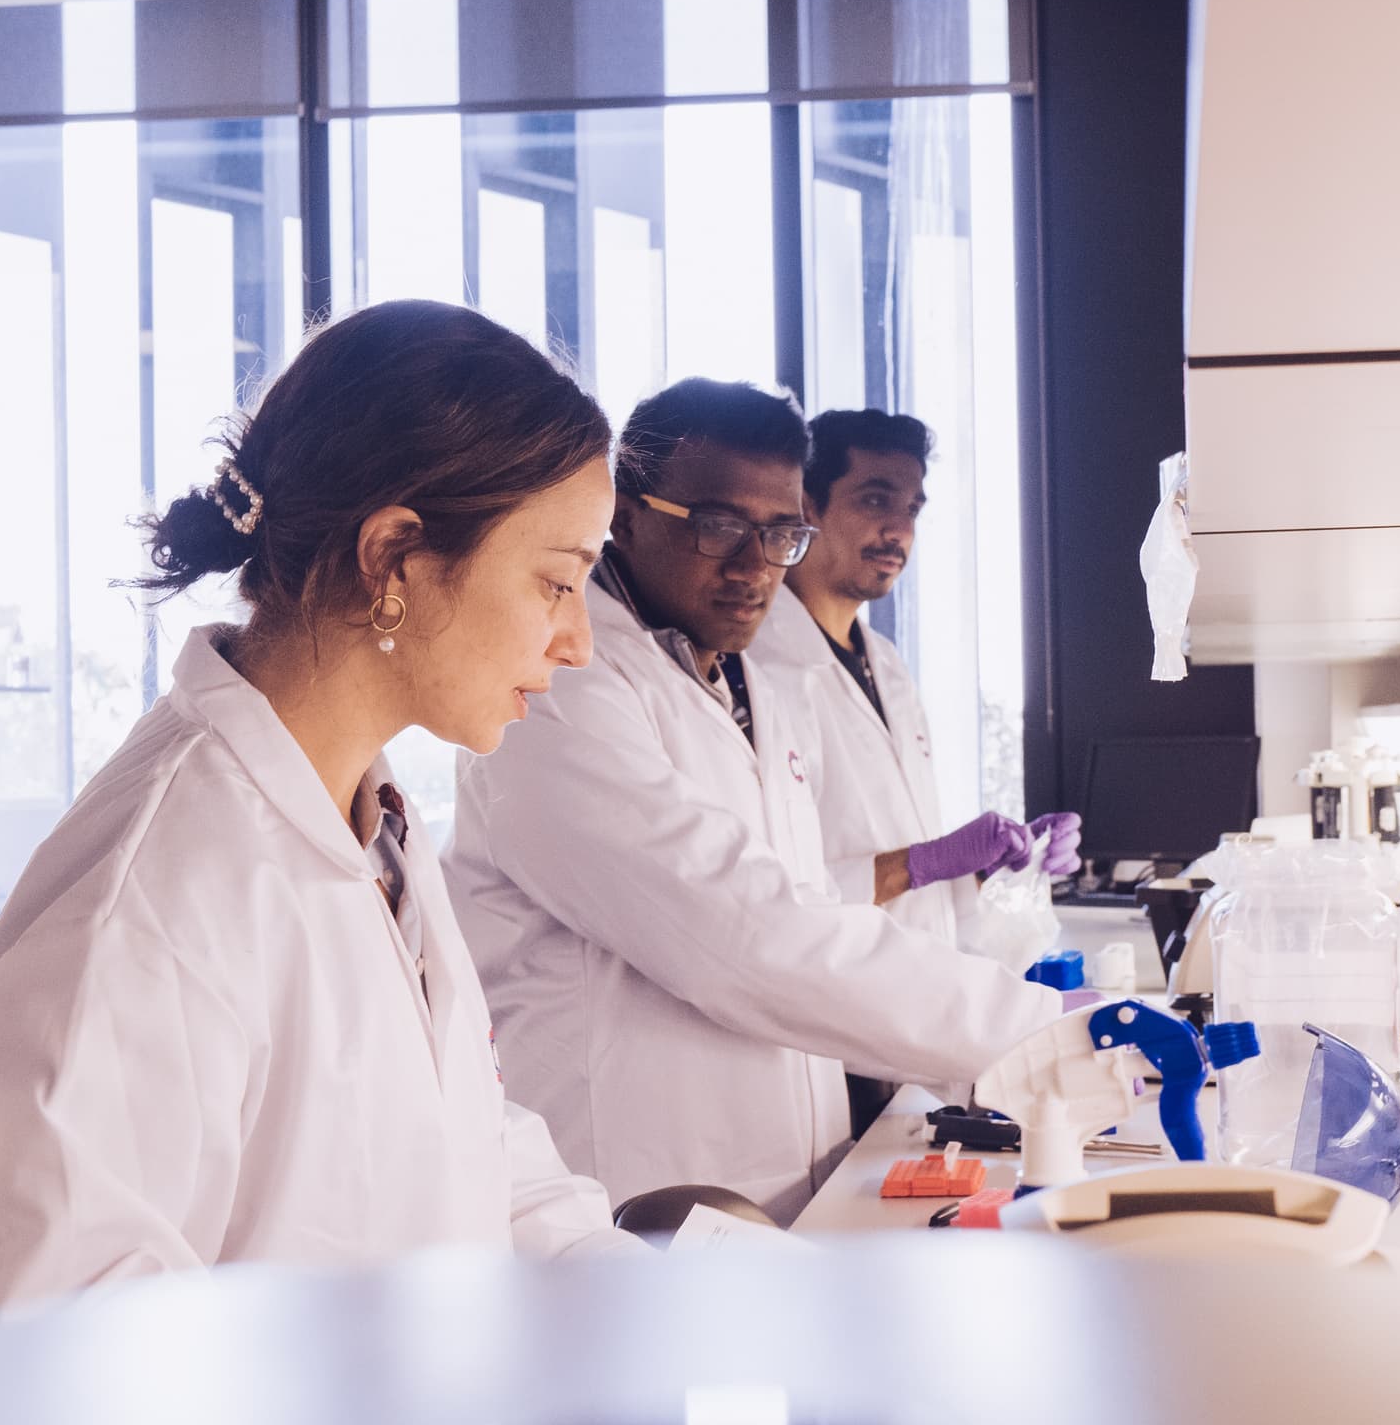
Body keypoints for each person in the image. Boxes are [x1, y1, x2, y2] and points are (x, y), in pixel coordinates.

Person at [0, 300, 627, 1311]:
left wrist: (665, 1306)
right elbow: (61, 1362)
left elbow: (472, 1150)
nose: (579, 643)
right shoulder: (157, 897)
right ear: (393, 558)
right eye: (557, 584)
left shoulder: (369, 822)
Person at [448, 379, 1068, 1221]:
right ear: (625, 518)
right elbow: (741, 930)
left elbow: (802, 902)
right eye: (718, 527)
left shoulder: (744, 677)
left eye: (779, 535)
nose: (752, 565)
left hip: (779, 1171)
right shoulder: (562, 687)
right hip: (630, 1186)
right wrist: (1040, 1028)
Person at [747, 408, 1080, 1130]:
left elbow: (906, 866)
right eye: (874, 500)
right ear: (806, 507)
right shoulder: (758, 667)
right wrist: (930, 860)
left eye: (912, 509)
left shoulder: (887, 666)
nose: (899, 531)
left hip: (911, 1029)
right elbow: (770, 902)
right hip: (827, 1042)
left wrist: (994, 866)